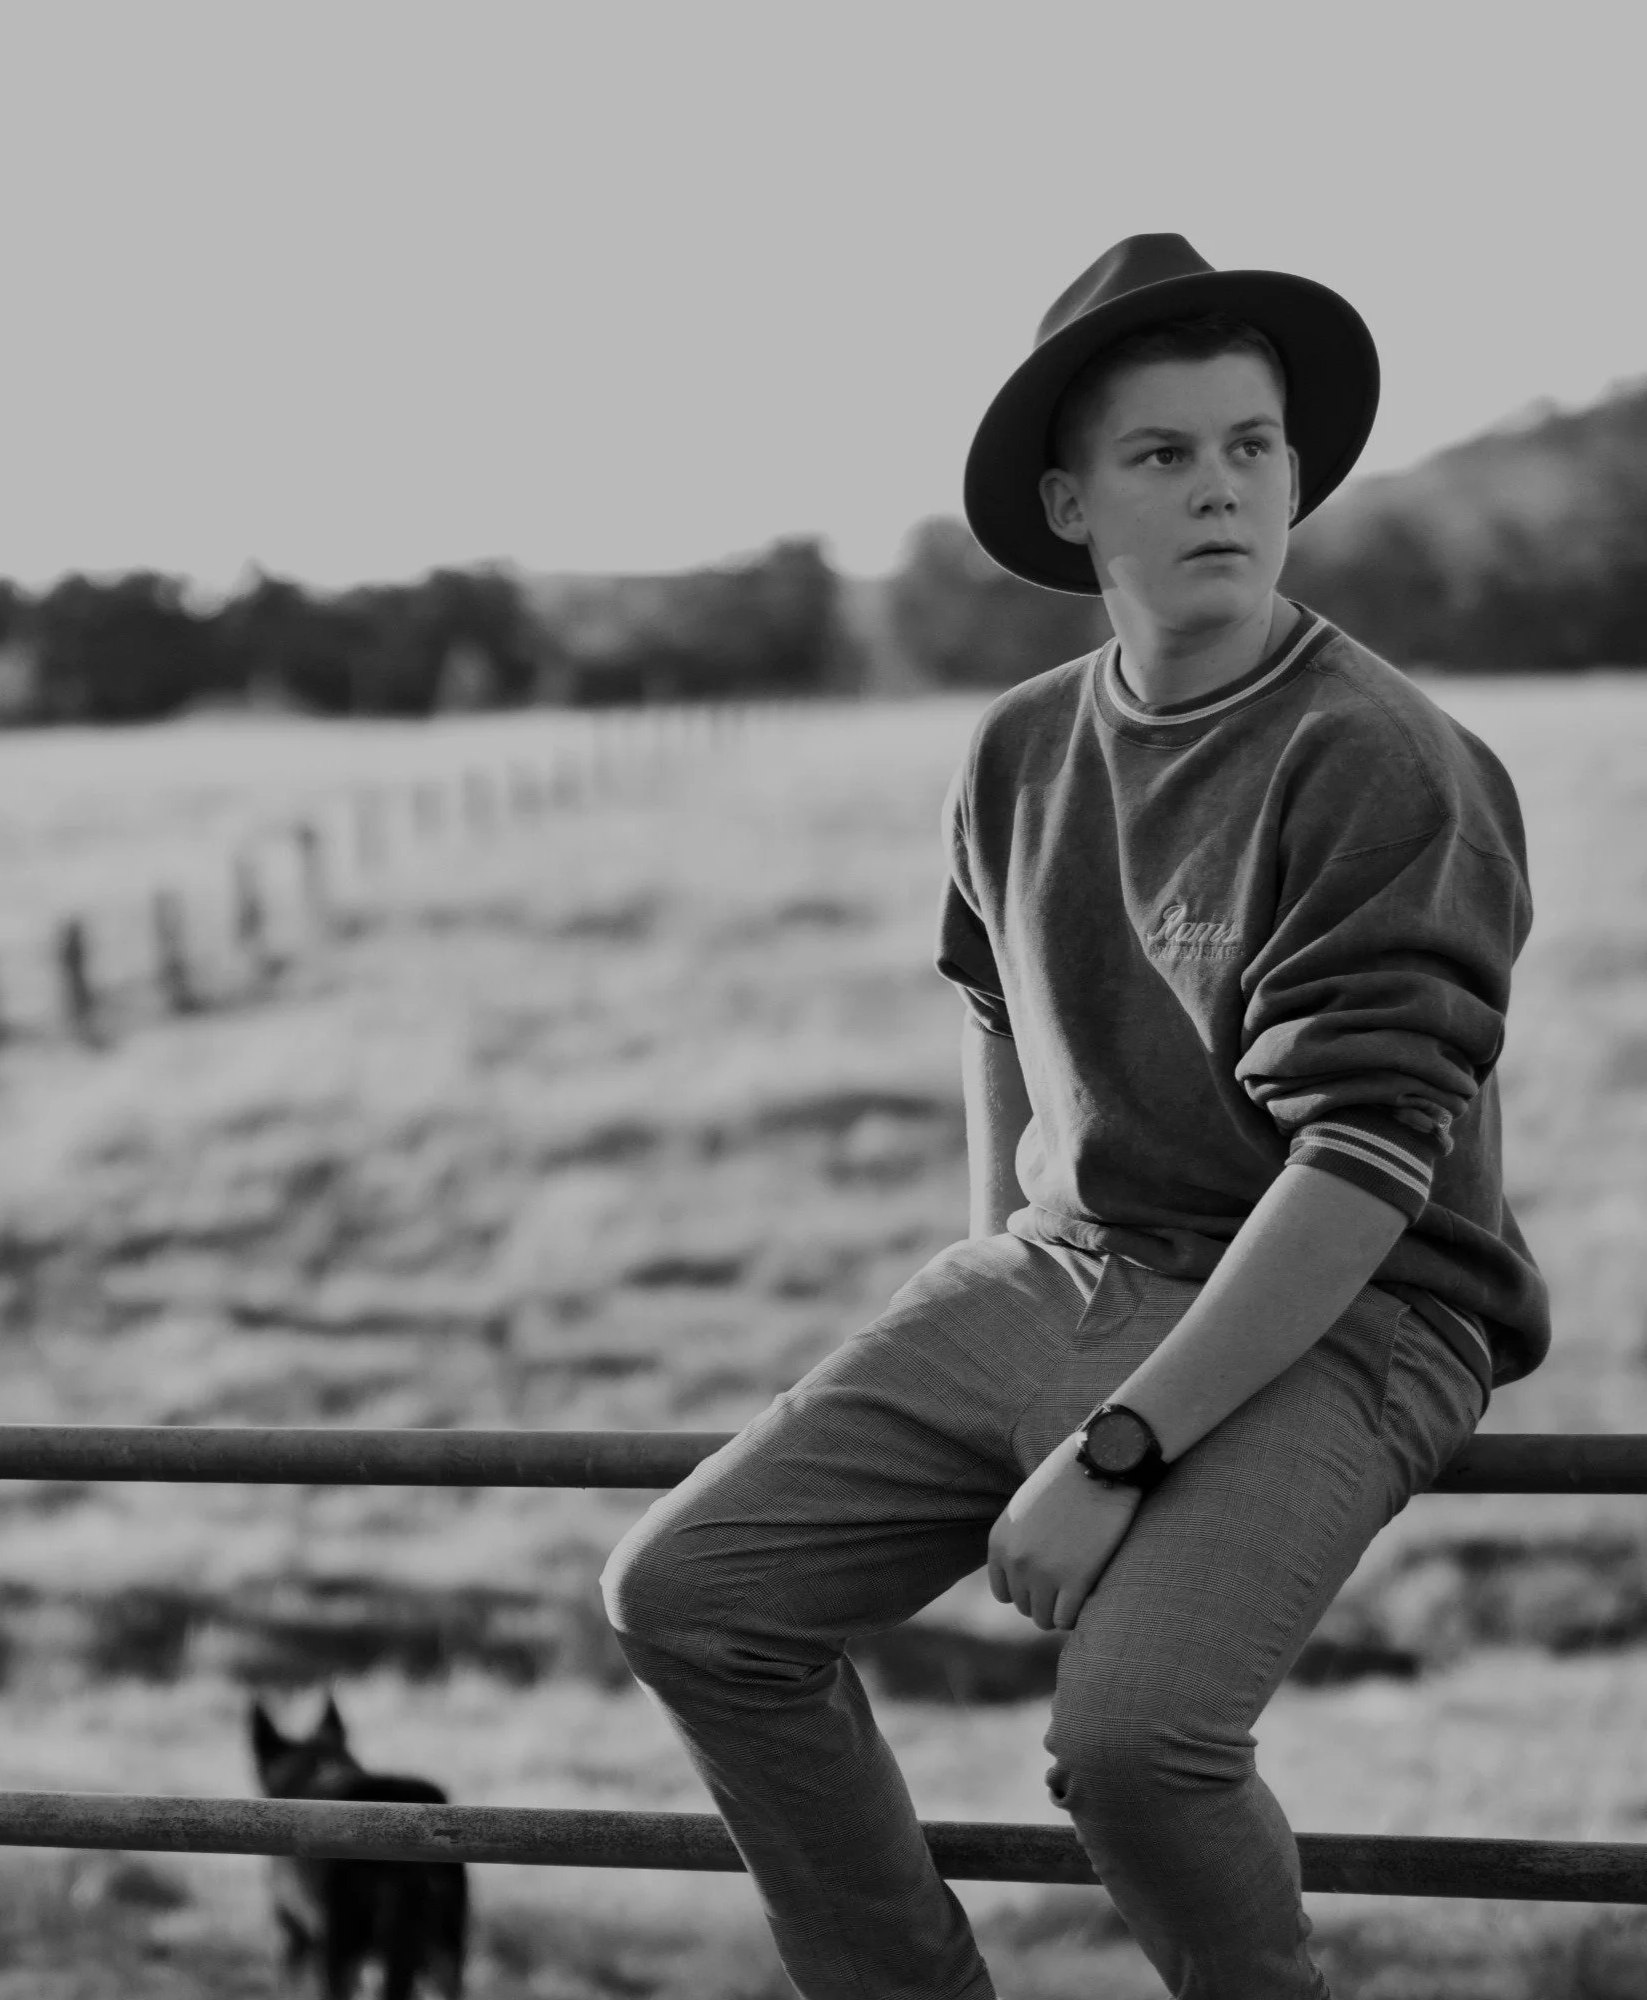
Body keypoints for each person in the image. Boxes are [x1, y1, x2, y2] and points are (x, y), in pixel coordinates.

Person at [601, 233, 1548, 1999]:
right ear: (1072, 503)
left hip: (1359, 1301)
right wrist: (992, 1285)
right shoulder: (1017, 749)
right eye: (1162, 454)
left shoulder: (1381, 757)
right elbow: (993, 1000)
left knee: (1133, 1745)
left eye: (1251, 446)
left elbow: (1361, 1164)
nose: (1220, 489)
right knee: (687, 1599)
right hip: (1075, 1263)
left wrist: (1114, 1446)